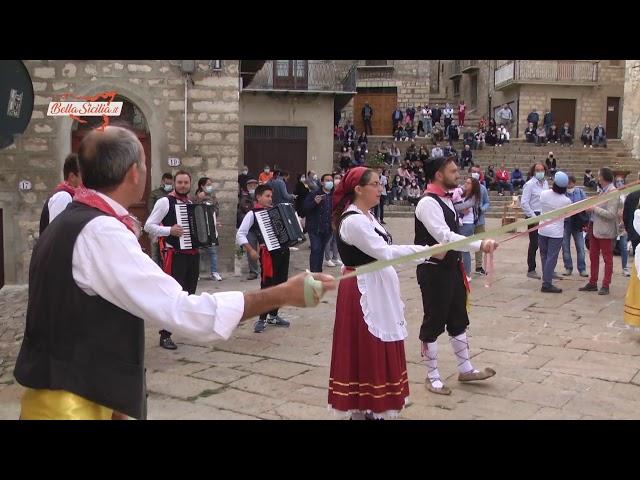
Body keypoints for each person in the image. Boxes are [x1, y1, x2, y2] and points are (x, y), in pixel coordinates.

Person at [13, 126, 336, 420]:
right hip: (73, 406)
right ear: (134, 174)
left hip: (72, 395)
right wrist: (281, 294)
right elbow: (181, 311)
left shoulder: (73, 219)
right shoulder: (101, 232)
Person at [328, 167, 443, 420]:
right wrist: (428, 251)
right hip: (363, 290)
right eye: (376, 184)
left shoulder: (367, 217)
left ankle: (371, 407)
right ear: (359, 189)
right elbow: (386, 254)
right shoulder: (354, 221)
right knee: (368, 347)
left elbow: (387, 255)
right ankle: (368, 407)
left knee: (380, 344)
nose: (381, 189)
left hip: (377, 285)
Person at [415, 156, 498, 395]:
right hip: (433, 271)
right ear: (438, 175)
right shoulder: (428, 203)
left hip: (452, 268)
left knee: (458, 318)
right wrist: (479, 244)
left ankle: (465, 368)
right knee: (434, 320)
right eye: (452, 171)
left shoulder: (448, 199)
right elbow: (444, 236)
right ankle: (432, 376)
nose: (457, 175)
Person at [145, 170, 199, 350]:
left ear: (190, 184)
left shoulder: (191, 203)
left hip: (193, 254)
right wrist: (169, 231)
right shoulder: (164, 201)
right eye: (180, 182)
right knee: (173, 295)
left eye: (186, 182)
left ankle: (182, 326)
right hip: (174, 255)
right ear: (174, 183)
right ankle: (165, 334)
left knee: (189, 292)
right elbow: (149, 226)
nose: (183, 185)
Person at [236, 184, 293, 332]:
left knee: (281, 285)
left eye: (271, 196)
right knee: (267, 286)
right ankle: (261, 319)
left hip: (283, 252)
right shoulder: (253, 214)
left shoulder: (278, 211)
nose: (270, 199)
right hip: (268, 254)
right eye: (267, 196)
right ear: (258, 197)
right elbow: (240, 234)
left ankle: (273, 316)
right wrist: (250, 250)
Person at [579, 168, 619, 295]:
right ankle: (592, 282)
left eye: (599, 176)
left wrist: (594, 209)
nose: (597, 178)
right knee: (593, 256)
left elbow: (612, 214)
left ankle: (606, 284)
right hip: (594, 227)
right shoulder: (602, 192)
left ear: (603, 178)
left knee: (607, 258)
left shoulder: (613, 192)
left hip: (605, 230)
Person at [538, 172, 572, 293]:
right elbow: (567, 216)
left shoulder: (544, 194)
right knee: (551, 257)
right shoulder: (566, 201)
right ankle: (546, 283)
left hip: (542, 229)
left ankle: (546, 279)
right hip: (556, 232)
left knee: (544, 256)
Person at [39, 153, 82, 234]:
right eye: (82, 175)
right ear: (72, 177)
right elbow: (57, 234)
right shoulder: (63, 197)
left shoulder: (69, 195)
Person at [521, 162, 550, 279]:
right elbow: (524, 202)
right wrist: (534, 217)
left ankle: (548, 268)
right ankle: (531, 269)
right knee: (534, 243)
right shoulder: (529, 185)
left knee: (546, 243)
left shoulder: (546, 183)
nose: (540, 172)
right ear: (533, 171)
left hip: (545, 214)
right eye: (537, 170)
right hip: (534, 215)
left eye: (541, 170)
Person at [304, 174, 334, 272]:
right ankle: (313, 272)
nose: (330, 182)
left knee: (321, 250)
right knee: (316, 249)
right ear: (322, 182)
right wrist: (314, 203)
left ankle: (318, 272)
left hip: (327, 228)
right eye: (327, 180)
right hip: (314, 228)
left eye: (331, 180)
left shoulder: (333, 195)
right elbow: (305, 208)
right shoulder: (314, 194)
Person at [194, 177, 222, 281]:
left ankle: (214, 272)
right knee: (198, 252)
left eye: (211, 184)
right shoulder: (196, 197)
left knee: (213, 250)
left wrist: (216, 220)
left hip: (211, 227)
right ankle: (196, 273)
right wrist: (199, 199)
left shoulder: (213, 197)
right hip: (200, 227)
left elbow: (217, 211)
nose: (210, 186)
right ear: (202, 186)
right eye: (208, 184)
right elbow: (192, 210)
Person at [454, 177, 481, 280]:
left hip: (468, 224)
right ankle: (460, 272)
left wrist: (456, 208)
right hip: (459, 223)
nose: (466, 184)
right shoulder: (461, 194)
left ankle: (467, 274)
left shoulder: (474, 197)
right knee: (459, 248)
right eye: (466, 182)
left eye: (469, 183)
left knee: (465, 249)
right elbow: (459, 206)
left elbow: (462, 206)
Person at [562, 175, 589, 277]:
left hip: (578, 222)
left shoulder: (580, 192)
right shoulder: (562, 193)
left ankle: (582, 268)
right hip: (566, 222)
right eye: (567, 183)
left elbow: (585, 204)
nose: (569, 184)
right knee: (565, 247)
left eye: (571, 182)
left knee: (580, 246)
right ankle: (568, 267)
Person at [237, 177, 260, 280]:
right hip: (250, 228)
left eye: (254, 185)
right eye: (250, 186)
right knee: (251, 247)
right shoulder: (244, 199)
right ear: (247, 187)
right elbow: (241, 213)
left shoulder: (260, 197)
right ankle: (253, 271)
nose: (252, 187)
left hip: (260, 226)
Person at [470, 166, 490, 275]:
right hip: (467, 221)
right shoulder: (465, 187)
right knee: (465, 243)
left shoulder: (482, 188)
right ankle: (463, 265)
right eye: (473, 172)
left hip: (479, 220)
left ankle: (478, 266)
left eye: (477, 172)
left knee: (480, 243)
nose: (475, 173)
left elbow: (487, 202)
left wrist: (483, 208)